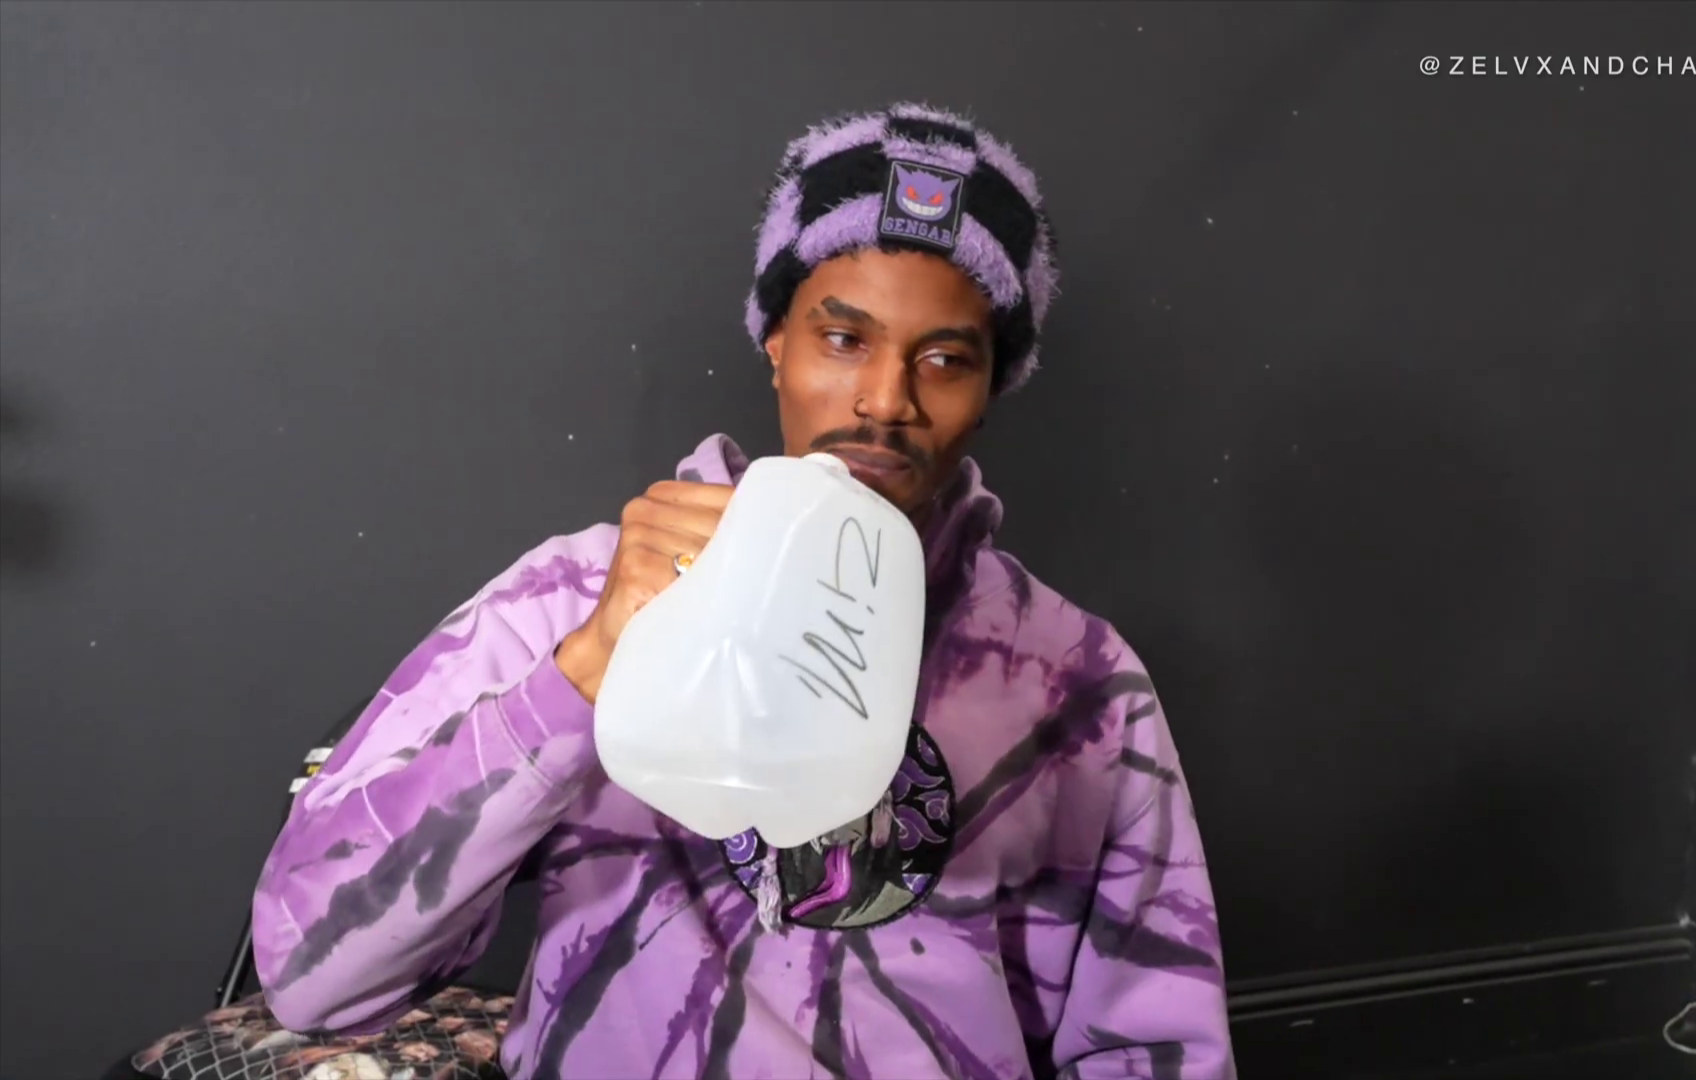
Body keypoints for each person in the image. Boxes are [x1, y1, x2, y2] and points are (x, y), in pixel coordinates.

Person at [251, 102, 1234, 1080]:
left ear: (989, 390)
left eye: (943, 360)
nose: (885, 399)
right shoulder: (573, 597)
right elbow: (310, 979)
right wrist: (583, 673)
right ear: (777, 343)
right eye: (842, 339)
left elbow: (1156, 1048)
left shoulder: (1079, 682)